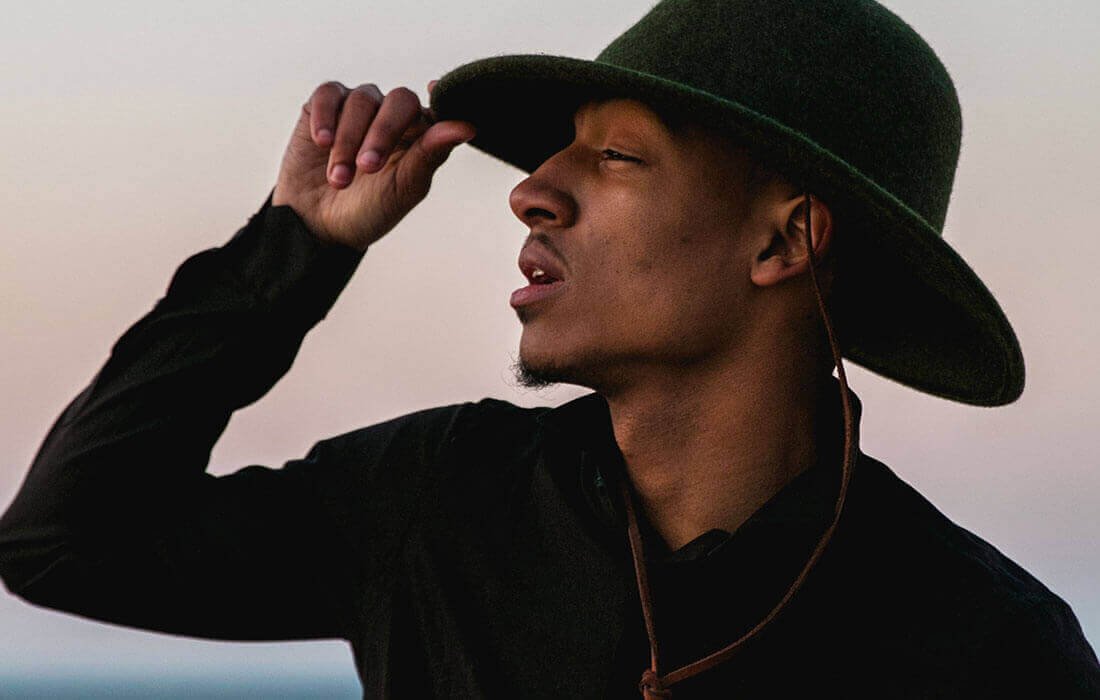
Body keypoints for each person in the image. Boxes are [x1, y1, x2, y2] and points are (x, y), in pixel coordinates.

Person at [1, 0, 1098, 697]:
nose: (531, 191)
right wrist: (294, 248)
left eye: (616, 156)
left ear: (783, 240)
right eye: (555, 151)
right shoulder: (435, 502)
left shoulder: (988, 650)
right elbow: (64, 542)